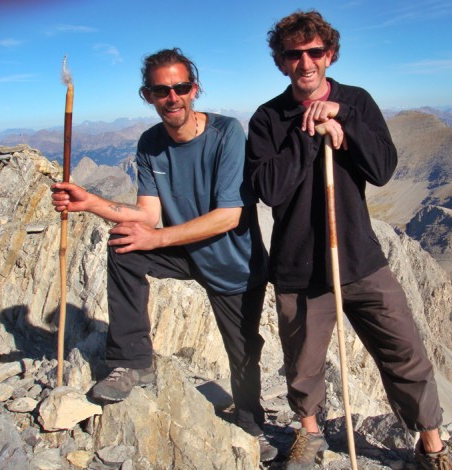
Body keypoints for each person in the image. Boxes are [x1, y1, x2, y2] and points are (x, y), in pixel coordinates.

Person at [246, 11, 452, 470]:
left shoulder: (356, 101)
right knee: (302, 364)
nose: (305, 62)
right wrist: (310, 134)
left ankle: (431, 446)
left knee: (404, 351)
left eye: (315, 52)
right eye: (294, 55)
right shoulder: (267, 118)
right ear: (281, 62)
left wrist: (344, 122)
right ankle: (311, 434)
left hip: (360, 257)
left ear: (330, 54)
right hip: (298, 265)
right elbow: (268, 189)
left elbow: (382, 168)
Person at [51, 48, 278, 462]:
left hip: (233, 264)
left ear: (195, 89)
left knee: (244, 351)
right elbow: (147, 215)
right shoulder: (150, 143)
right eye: (161, 90)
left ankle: (251, 425)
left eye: (181, 87)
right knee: (124, 246)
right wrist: (89, 202)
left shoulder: (228, 133)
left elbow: (229, 216)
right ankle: (133, 361)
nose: (172, 97)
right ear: (148, 95)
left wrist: (156, 239)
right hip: (184, 251)